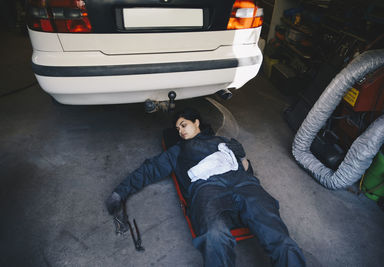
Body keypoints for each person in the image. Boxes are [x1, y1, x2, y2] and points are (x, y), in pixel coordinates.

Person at [105, 108, 306, 267]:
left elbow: (246, 170)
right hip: (207, 189)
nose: (181, 131)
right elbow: (149, 169)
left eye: (183, 125)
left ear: (197, 122)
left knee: (279, 238)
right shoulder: (178, 150)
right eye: (177, 129)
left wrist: (242, 156)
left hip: (244, 184)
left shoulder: (222, 141)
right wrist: (119, 193)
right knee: (214, 236)